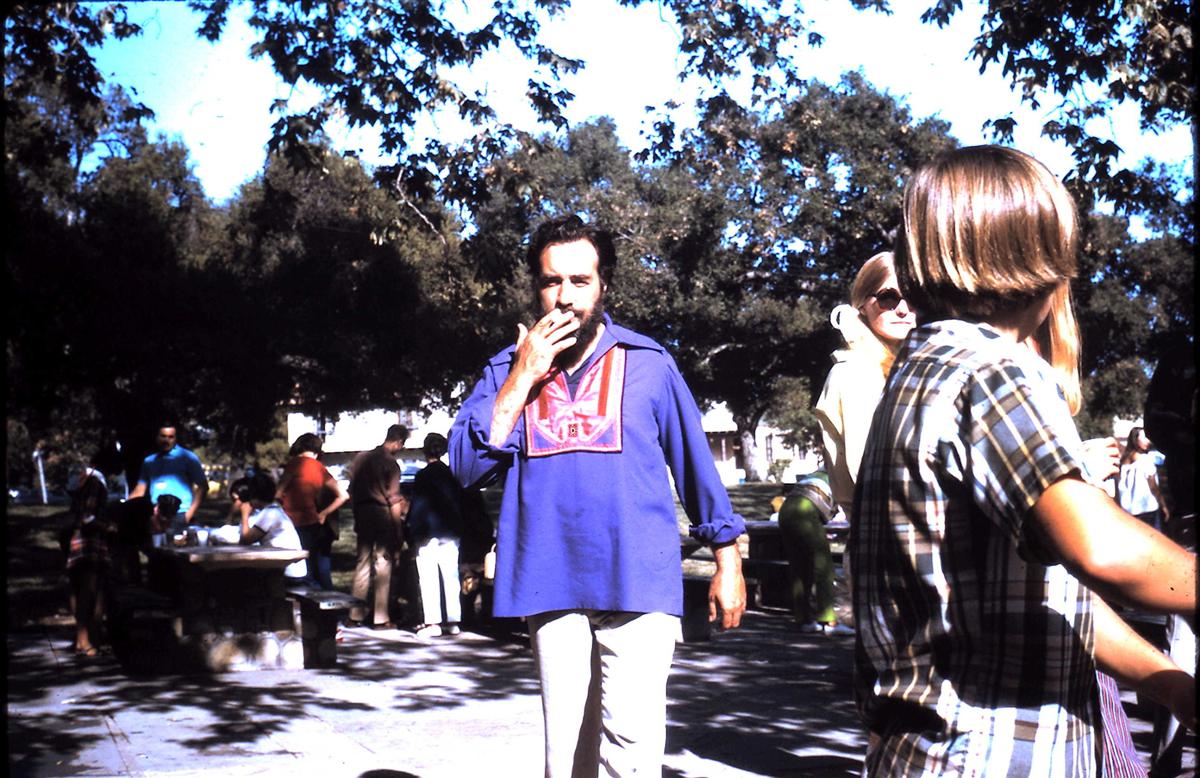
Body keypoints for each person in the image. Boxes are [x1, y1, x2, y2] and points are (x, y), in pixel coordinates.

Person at [852, 145, 1196, 775]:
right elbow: (1103, 550)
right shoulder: (991, 370)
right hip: (987, 754)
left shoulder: (921, 371)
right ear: (1039, 258)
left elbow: (1049, 596)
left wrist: (1171, 684)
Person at [449, 214, 747, 776]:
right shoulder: (504, 369)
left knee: (631, 751)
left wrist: (727, 561)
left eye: (580, 281)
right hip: (549, 581)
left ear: (603, 285)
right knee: (567, 756)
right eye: (551, 281)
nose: (565, 297)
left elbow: (695, 466)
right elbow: (466, 468)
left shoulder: (649, 363)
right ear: (535, 287)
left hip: (638, 579)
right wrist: (522, 376)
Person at [815, 251, 915, 524]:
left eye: (913, 296)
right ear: (862, 304)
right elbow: (869, 472)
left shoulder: (905, 366)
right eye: (888, 298)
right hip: (886, 527)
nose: (903, 309)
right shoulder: (855, 372)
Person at [347, 424, 409, 629]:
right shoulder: (390, 464)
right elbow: (394, 499)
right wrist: (398, 529)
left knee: (362, 562)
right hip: (382, 513)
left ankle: (354, 614)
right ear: (398, 442)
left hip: (362, 512)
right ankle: (380, 618)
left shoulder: (361, 458)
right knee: (383, 563)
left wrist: (357, 514)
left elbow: (351, 490)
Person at [776, 470, 852, 635]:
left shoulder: (818, 473)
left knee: (799, 568)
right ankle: (829, 620)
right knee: (823, 567)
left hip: (786, 509)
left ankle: (803, 618)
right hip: (805, 510)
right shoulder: (843, 475)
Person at [406, 432, 464, 638]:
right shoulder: (451, 474)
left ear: (425, 451)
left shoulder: (423, 476)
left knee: (429, 578)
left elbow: (419, 506)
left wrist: (413, 531)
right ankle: (454, 621)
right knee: (451, 577)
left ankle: (433, 622)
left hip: (428, 532)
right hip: (450, 532)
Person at [276, 433, 349, 590]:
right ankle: (327, 600)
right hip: (312, 522)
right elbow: (343, 495)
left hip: (291, 522)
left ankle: (306, 599)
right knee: (316, 567)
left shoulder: (295, 464)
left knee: (297, 570)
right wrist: (323, 514)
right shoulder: (320, 468)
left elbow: (278, 493)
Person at [61, 467, 114, 657]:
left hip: (77, 543)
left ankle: (83, 639)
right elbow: (88, 517)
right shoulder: (96, 483)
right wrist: (108, 527)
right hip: (90, 544)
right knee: (89, 592)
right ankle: (85, 640)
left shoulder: (82, 484)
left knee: (80, 591)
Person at [217, 474, 308, 581]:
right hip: (286, 568)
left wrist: (245, 515)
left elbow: (245, 540)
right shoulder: (274, 510)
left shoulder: (270, 514)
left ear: (255, 497)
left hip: (289, 574)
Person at [128, 423, 206, 531]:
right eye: (163, 436)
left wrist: (188, 515)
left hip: (179, 514)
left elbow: (203, 486)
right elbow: (140, 489)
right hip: (156, 515)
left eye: (170, 437)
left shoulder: (187, 457)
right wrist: (125, 506)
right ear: (157, 437)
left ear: (176, 439)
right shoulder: (149, 461)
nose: (166, 440)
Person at [1116, 426, 1170, 532]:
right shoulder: (1145, 460)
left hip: (1128, 510)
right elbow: (1153, 487)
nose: (1148, 441)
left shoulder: (1124, 461)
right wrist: (1163, 505)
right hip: (1147, 509)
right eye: (1144, 438)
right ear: (1135, 440)